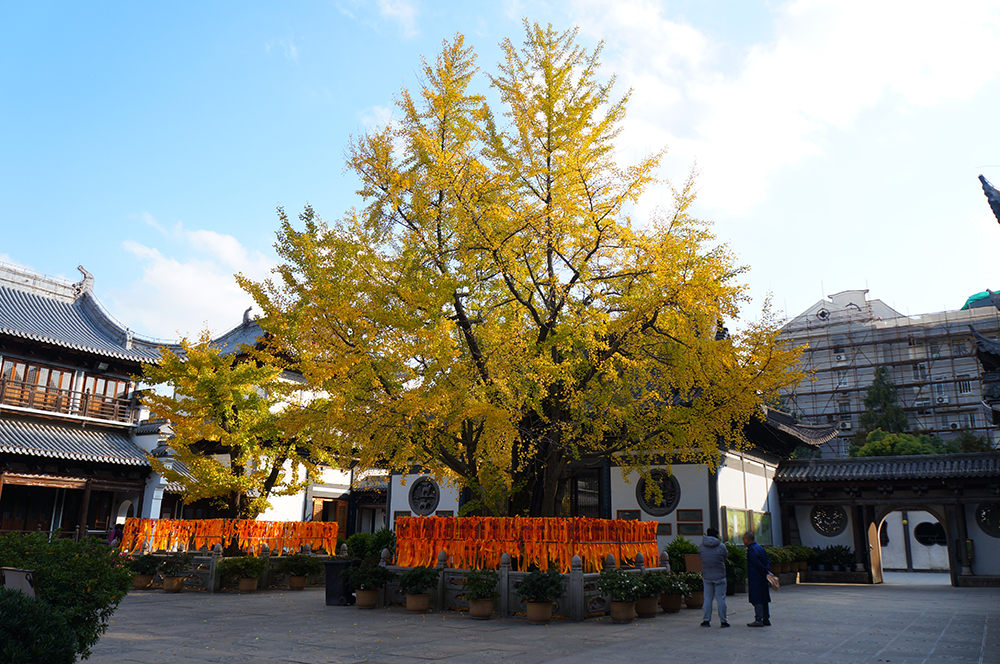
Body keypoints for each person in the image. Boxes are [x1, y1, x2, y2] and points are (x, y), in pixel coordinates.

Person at [698, 527, 729, 628]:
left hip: (707, 575)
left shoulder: (701, 546)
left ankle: (706, 620)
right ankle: (723, 621)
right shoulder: (721, 546)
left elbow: (701, 557)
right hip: (720, 575)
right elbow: (725, 557)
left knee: (707, 599)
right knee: (721, 599)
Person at [743, 531, 771, 627]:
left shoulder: (751, 549)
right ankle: (766, 618)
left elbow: (756, 562)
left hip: (755, 576)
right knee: (764, 597)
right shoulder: (760, 548)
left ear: (747, 539)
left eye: (743, 539)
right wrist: (766, 570)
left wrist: (763, 570)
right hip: (762, 577)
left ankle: (758, 619)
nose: (743, 540)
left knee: (757, 598)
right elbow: (767, 560)